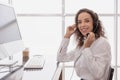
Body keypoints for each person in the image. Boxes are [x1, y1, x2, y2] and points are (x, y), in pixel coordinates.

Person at [57, 8, 111, 80]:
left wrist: (86, 48)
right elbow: (61, 58)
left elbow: (99, 74)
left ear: (94, 24)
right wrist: (67, 36)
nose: (82, 25)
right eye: (79, 22)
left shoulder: (102, 43)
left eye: (87, 21)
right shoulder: (83, 42)